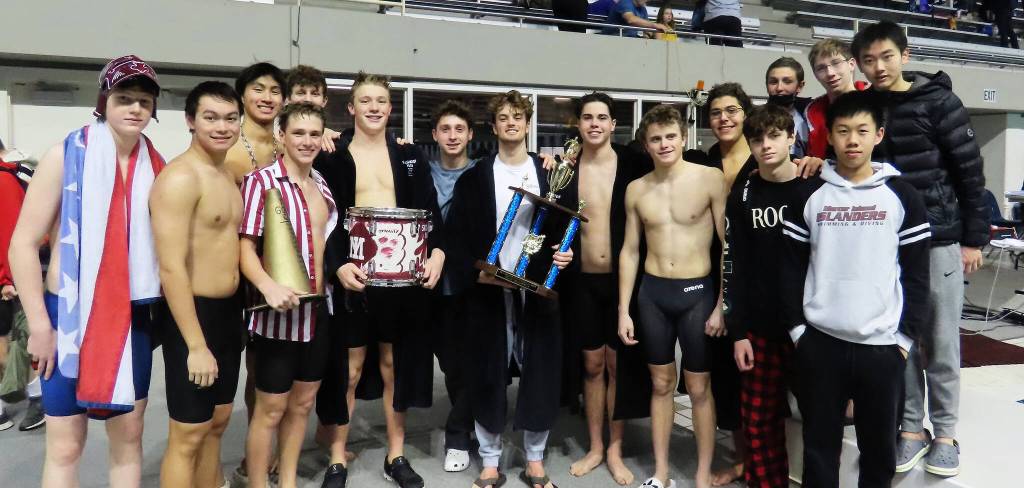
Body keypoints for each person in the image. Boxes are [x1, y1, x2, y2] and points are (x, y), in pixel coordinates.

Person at [8, 54, 165, 488]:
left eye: (144, 101)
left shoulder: (156, 165)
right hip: (67, 315)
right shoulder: (65, 155)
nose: (135, 108)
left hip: (129, 317)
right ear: (104, 101)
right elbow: (22, 244)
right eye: (124, 98)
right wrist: (40, 324)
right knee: (65, 446)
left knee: (128, 438)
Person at [853, 20, 989, 478]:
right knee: (901, 340)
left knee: (943, 342)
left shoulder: (940, 102)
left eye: (886, 56)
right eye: (869, 60)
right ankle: (912, 428)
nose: (878, 66)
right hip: (886, 245)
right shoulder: (866, 107)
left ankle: (946, 433)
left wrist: (973, 238)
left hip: (938, 241)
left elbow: (969, 172)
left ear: (905, 56)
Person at [781, 90, 931, 487]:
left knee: (878, 453)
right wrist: (798, 332)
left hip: (881, 348)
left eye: (862, 131)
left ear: (878, 135)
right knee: (818, 449)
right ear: (829, 136)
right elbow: (790, 269)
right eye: (843, 131)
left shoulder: (902, 196)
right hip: (820, 344)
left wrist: (903, 340)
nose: (852, 140)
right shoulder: (809, 194)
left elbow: (917, 276)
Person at [318, 72, 445, 488]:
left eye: (381, 101)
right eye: (365, 101)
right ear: (351, 108)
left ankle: (396, 454)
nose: (374, 107)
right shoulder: (332, 157)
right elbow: (323, 220)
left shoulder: (409, 156)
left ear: (390, 109)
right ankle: (337, 457)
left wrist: (438, 253)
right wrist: (337, 265)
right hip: (352, 279)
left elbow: (430, 212)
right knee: (349, 370)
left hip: (401, 282)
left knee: (395, 367)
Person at [446, 90, 574, 488]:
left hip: (536, 291)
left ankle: (535, 459)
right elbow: (457, 237)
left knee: (541, 372)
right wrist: (475, 272)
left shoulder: (549, 175)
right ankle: (489, 460)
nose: (511, 123)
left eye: (518, 116)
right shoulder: (475, 178)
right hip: (489, 290)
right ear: (494, 125)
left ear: (528, 123)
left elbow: (565, 228)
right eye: (503, 117)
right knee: (487, 372)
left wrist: (565, 254)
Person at [618, 104, 727, 488]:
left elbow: (728, 247)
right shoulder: (637, 189)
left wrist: (722, 303)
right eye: (655, 139)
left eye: (670, 137)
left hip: (698, 293)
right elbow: (630, 251)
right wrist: (623, 310)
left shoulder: (710, 179)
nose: (663, 144)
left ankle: (702, 474)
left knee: (698, 388)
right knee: (661, 384)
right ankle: (661, 472)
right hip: (653, 294)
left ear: (683, 138)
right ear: (646, 144)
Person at [239, 102, 338, 488]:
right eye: (298, 133)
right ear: (281, 136)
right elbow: (245, 247)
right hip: (276, 316)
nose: (307, 141)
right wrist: (267, 285)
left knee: (302, 404)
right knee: (270, 409)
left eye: (314, 134)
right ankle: (258, 483)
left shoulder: (322, 184)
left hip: (318, 311)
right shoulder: (261, 182)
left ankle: (289, 481)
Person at [151, 81, 244, 488]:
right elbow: (171, 268)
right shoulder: (180, 178)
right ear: (191, 121)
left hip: (228, 314)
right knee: (188, 433)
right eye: (211, 118)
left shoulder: (228, 175)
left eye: (230, 118)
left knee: (218, 422)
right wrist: (195, 345)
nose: (222, 127)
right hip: (193, 316)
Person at [560, 92, 651, 487]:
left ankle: (615, 448)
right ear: (578, 124)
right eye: (587, 117)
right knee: (592, 365)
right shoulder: (566, 168)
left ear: (614, 124)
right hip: (581, 281)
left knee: (617, 365)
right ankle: (595, 446)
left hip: (622, 281)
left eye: (602, 117)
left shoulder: (634, 164)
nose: (594, 124)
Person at [726, 104, 801, 488]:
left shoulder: (815, 187)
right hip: (758, 326)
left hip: (810, 326)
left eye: (774, 136)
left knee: (821, 419)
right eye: (757, 139)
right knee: (758, 421)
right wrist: (738, 330)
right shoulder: (743, 194)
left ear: (792, 138)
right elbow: (733, 264)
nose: (766, 145)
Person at [424, 99, 479, 474]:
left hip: (470, 283)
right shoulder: (421, 172)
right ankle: (469, 419)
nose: (453, 135)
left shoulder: (483, 172)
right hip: (430, 284)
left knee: (472, 360)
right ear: (435, 134)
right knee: (449, 363)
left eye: (460, 129)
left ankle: (458, 433)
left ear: (471, 134)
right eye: (446, 129)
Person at [0, 141, 44, 433]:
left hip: (12, 275)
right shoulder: (13, 173)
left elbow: (11, 234)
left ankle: (38, 398)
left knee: (21, 338)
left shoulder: (4, 179)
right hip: (11, 272)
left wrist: (9, 279)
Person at [804, 38, 869, 160]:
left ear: (851, 64)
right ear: (815, 75)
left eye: (836, 63)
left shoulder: (873, 101)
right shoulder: (811, 112)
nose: (830, 73)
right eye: (821, 68)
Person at [225, 62, 286, 183]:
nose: (267, 98)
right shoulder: (225, 149)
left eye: (275, 92)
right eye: (258, 90)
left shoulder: (286, 152)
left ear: (284, 101)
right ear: (242, 96)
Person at [764, 57, 811, 159]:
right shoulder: (754, 119)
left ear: (800, 86)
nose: (779, 88)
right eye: (773, 82)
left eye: (787, 82)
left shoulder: (812, 120)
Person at [605, 0, 672, 38]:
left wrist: (647, 35)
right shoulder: (625, 2)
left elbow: (648, 28)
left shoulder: (643, 9)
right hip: (613, 39)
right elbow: (631, 19)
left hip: (633, 42)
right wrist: (655, 25)